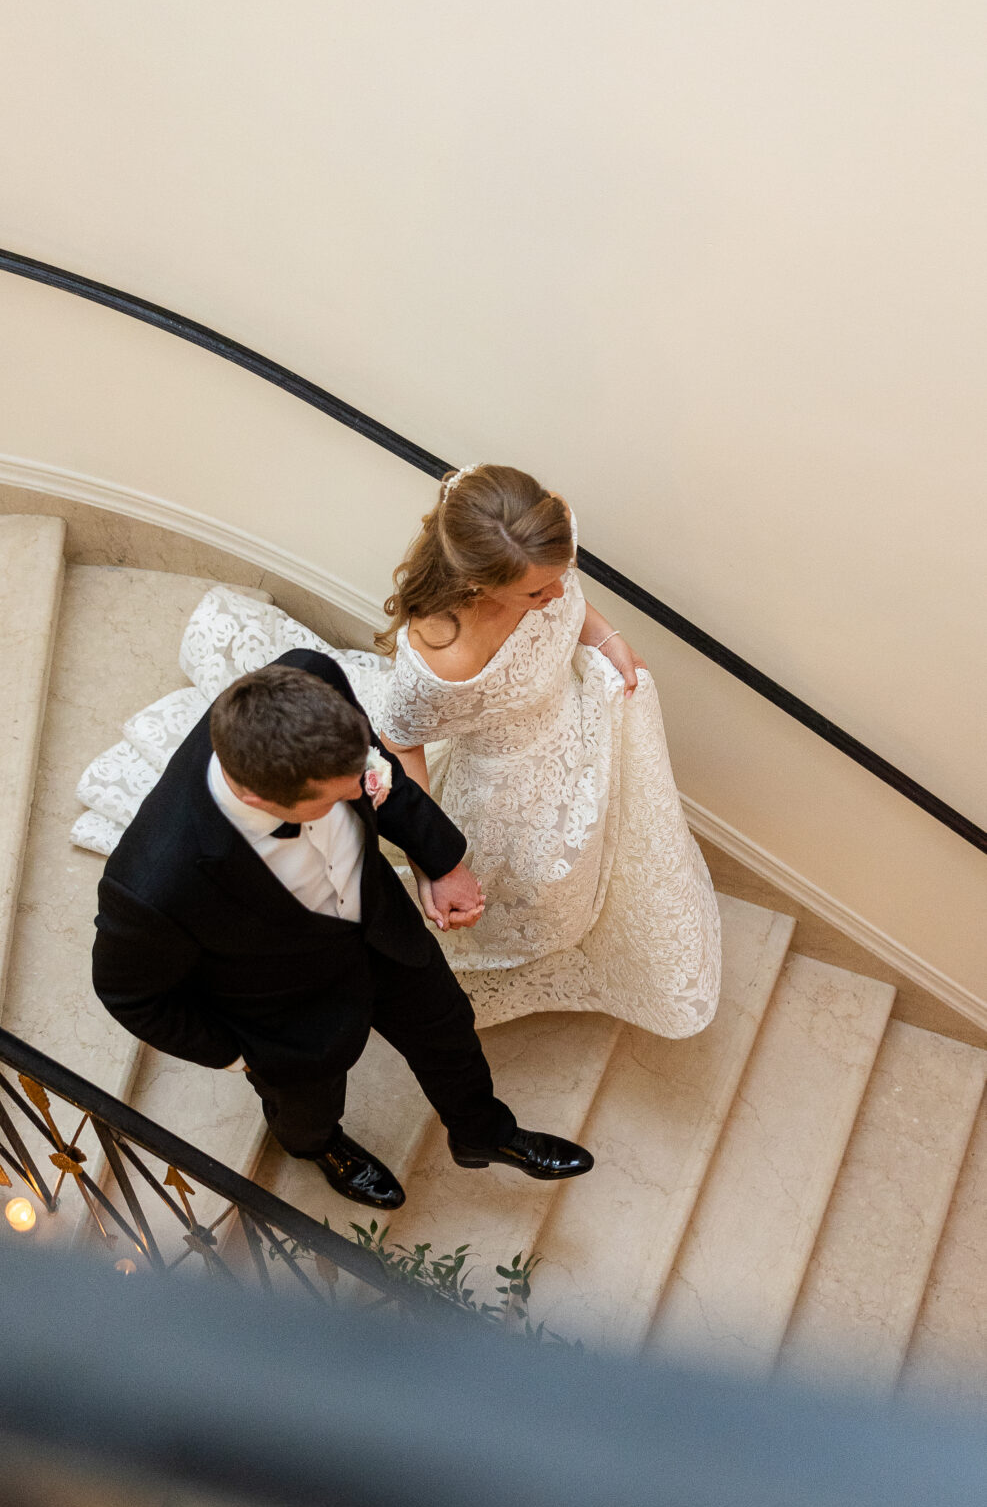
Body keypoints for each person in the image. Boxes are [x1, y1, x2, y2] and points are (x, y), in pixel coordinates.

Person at [75, 464, 721, 1036]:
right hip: (507, 778)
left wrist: (605, 640)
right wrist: (426, 859)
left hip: (575, 722)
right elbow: (400, 741)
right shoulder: (439, 663)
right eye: (534, 593)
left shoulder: (533, 538)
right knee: (543, 885)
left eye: (558, 577)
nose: (554, 595)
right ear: (478, 588)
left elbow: (569, 598)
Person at [91, 652, 593, 1210]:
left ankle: (482, 1133)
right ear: (259, 797)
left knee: (449, 1030)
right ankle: (323, 1150)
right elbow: (129, 995)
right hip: (287, 1010)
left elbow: (385, 780)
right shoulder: (154, 886)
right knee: (308, 1108)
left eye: (360, 777)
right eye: (338, 793)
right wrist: (242, 1055)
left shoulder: (311, 678)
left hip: (380, 928)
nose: (363, 789)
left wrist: (440, 860)